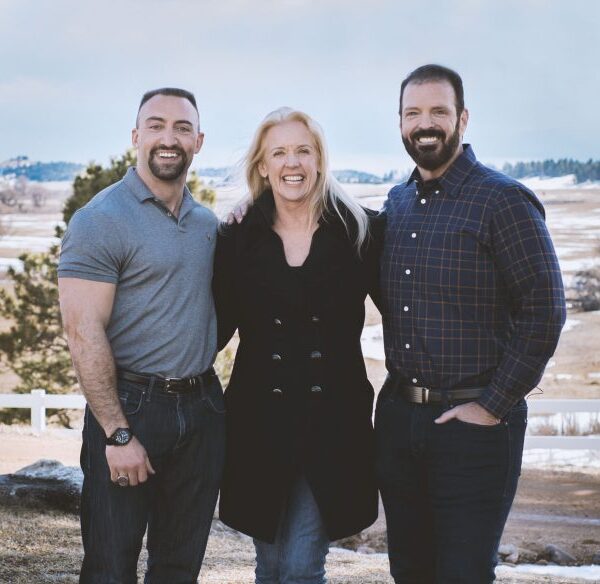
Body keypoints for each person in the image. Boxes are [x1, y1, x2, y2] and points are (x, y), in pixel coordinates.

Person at [376, 64, 566, 583]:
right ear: (400, 123)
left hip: (475, 428)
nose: (425, 124)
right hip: (400, 423)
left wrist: (492, 405)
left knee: (463, 574)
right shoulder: (397, 203)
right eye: (413, 113)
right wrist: (257, 205)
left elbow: (545, 310)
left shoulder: (503, 200)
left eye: (439, 111)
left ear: (462, 119)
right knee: (410, 571)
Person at [58, 88, 225, 583]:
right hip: (131, 406)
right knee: (111, 567)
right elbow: (82, 331)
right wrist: (118, 433)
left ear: (198, 141)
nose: (168, 138)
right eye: (156, 126)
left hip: (201, 409)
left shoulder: (206, 223)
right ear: (136, 136)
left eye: (181, 128)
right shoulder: (100, 219)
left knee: (178, 567)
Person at [213, 107, 382, 583]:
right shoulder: (236, 237)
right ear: (263, 165)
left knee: (301, 566)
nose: (293, 163)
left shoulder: (361, 230)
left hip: (333, 426)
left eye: (303, 151)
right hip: (258, 425)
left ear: (320, 160)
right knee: (269, 567)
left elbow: (405, 311)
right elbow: (214, 329)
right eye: (280, 153)